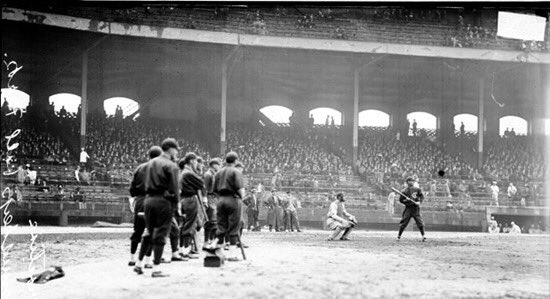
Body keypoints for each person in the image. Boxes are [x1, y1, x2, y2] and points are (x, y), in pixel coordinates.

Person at [142, 138, 180, 278]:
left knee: (149, 232)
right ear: (170, 149)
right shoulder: (171, 165)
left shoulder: (150, 163)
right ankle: (156, 268)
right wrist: (177, 206)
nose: (176, 152)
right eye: (176, 149)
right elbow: (174, 189)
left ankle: (143, 262)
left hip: (148, 200)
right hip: (163, 201)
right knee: (161, 234)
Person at [204, 151, 246, 262]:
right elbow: (240, 189)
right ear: (236, 160)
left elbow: (213, 189)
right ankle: (232, 254)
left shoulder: (218, 172)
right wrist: (241, 197)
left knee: (221, 226)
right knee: (234, 226)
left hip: (220, 200)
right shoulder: (236, 171)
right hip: (233, 199)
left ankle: (216, 250)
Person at [129, 146, 162, 271]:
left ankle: (132, 258)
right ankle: (148, 260)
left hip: (140, 200)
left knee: (137, 229)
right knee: (152, 230)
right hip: (153, 200)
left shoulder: (139, 168)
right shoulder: (160, 168)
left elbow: (132, 188)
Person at [178, 152, 204, 259]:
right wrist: (199, 172)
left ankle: (183, 249)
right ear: (192, 161)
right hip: (190, 199)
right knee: (190, 225)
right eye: (196, 161)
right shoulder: (189, 173)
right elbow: (201, 184)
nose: (197, 163)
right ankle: (185, 251)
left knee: (186, 224)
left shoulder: (184, 172)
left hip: (184, 199)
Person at [397, 177, 426, 241]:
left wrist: (419, 202)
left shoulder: (418, 189)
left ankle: (423, 236)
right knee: (404, 223)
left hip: (416, 208)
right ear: (407, 182)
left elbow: (422, 196)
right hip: (408, 208)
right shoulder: (404, 191)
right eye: (410, 181)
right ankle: (399, 236)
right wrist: (405, 200)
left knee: (420, 222)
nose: (412, 182)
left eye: (413, 181)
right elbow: (401, 200)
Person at [203, 158, 222, 243]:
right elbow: (204, 187)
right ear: (214, 165)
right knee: (210, 220)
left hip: (214, 198)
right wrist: (205, 199)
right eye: (218, 165)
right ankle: (207, 241)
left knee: (214, 221)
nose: (219, 166)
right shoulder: (208, 174)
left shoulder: (214, 174)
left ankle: (211, 240)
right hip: (210, 197)